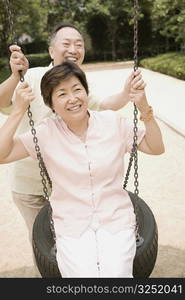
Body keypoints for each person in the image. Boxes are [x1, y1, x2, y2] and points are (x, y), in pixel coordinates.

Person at [0, 23, 145, 276]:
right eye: (66, 43)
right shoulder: (32, 77)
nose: (73, 49)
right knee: (47, 253)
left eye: (79, 44)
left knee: (86, 251)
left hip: (73, 190)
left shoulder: (79, 83)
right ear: (51, 50)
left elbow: (106, 104)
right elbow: (2, 102)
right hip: (32, 185)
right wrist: (15, 76)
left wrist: (126, 92)